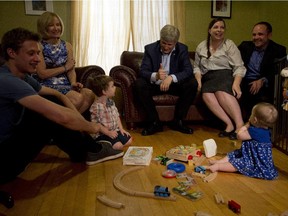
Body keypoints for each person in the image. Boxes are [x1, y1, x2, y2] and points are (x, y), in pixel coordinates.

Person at [0, 27, 124, 187]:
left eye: (38, 53)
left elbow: (57, 95)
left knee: (52, 99)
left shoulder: (22, 77)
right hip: (3, 161)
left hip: (9, 146)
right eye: (31, 53)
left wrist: (78, 119)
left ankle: (89, 150)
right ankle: (91, 150)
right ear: (12, 53)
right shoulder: (8, 81)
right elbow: (60, 116)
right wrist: (93, 127)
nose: (38, 59)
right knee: (45, 114)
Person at [134, 24, 198, 136]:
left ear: (175, 43)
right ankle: (155, 122)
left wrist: (171, 77)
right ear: (160, 39)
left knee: (192, 83)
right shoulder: (150, 49)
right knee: (139, 83)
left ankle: (178, 121)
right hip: (155, 85)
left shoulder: (182, 49)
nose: (166, 47)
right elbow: (143, 71)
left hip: (173, 85)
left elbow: (188, 70)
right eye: (164, 43)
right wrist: (156, 76)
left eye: (170, 44)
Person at [193, 18, 246, 140]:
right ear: (209, 30)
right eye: (216, 27)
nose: (219, 30)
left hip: (224, 74)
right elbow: (196, 67)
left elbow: (239, 67)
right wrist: (199, 80)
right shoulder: (201, 46)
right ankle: (229, 124)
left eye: (222, 27)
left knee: (221, 92)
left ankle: (239, 125)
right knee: (206, 95)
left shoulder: (229, 44)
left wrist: (236, 84)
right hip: (208, 77)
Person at [34, 11, 95, 114]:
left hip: (66, 84)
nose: (56, 28)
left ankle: (73, 126)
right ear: (43, 27)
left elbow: (71, 70)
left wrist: (73, 83)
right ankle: (72, 125)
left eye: (58, 24)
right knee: (77, 98)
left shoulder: (67, 45)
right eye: (51, 25)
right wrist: (65, 68)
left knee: (89, 94)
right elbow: (42, 74)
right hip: (47, 84)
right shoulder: (38, 46)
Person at [206, 102, 278, 180]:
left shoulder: (255, 131)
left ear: (254, 120)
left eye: (251, 114)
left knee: (238, 164)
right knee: (233, 154)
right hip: (250, 154)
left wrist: (246, 125)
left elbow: (239, 136)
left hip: (254, 161)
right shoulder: (265, 130)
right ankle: (219, 162)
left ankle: (218, 166)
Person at [238, 21, 286, 121]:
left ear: (269, 35)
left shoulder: (278, 50)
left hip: (264, 83)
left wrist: (262, 80)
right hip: (244, 79)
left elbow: (277, 71)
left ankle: (255, 125)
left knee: (257, 92)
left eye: (260, 34)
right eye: (254, 34)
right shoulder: (245, 46)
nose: (256, 37)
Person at [87, 75, 132, 150]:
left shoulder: (111, 102)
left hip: (114, 131)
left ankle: (114, 143)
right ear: (104, 91)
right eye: (112, 86)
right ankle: (102, 144)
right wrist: (108, 133)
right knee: (119, 146)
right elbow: (96, 125)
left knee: (129, 140)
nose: (115, 88)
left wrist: (121, 129)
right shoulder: (96, 107)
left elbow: (117, 116)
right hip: (103, 134)